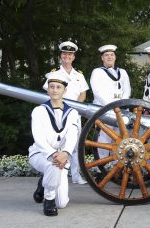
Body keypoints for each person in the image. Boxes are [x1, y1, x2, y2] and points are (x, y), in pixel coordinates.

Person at [29, 72, 80, 216]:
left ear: (65, 90)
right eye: (52, 87)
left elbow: (72, 136)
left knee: (62, 204)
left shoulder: (72, 113)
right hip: (40, 154)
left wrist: (65, 153)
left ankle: (43, 183)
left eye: (58, 87)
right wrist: (54, 155)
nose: (55, 90)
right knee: (52, 163)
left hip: (63, 157)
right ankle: (49, 199)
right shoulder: (39, 111)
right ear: (48, 89)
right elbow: (38, 138)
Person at [43, 41, 89, 185]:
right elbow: (48, 92)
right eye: (64, 54)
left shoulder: (79, 75)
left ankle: (76, 176)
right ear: (60, 56)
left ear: (73, 57)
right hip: (58, 113)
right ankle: (56, 175)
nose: (67, 56)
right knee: (57, 145)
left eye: (70, 54)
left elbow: (83, 94)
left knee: (75, 145)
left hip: (75, 114)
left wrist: (76, 108)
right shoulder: (54, 74)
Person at [90, 44, 131, 159]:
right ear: (102, 58)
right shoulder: (97, 72)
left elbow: (127, 90)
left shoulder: (122, 72)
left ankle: (116, 167)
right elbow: (97, 92)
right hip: (105, 109)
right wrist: (111, 106)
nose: (109, 57)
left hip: (122, 110)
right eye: (106, 55)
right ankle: (101, 166)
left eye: (112, 55)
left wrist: (122, 104)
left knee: (119, 140)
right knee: (104, 139)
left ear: (115, 57)